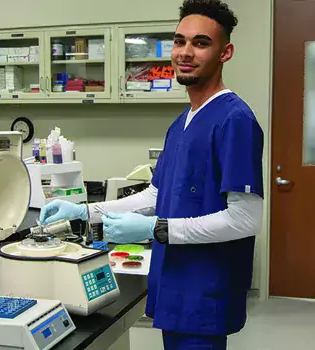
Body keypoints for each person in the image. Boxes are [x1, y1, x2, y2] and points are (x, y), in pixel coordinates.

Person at [39, 0, 264, 348]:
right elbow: (155, 197)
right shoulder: (181, 124)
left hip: (203, 293)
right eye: (179, 41)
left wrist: (156, 229)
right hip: (173, 285)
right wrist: (85, 212)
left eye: (201, 43)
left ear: (225, 52)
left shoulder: (234, 120)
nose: (185, 52)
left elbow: (245, 218)